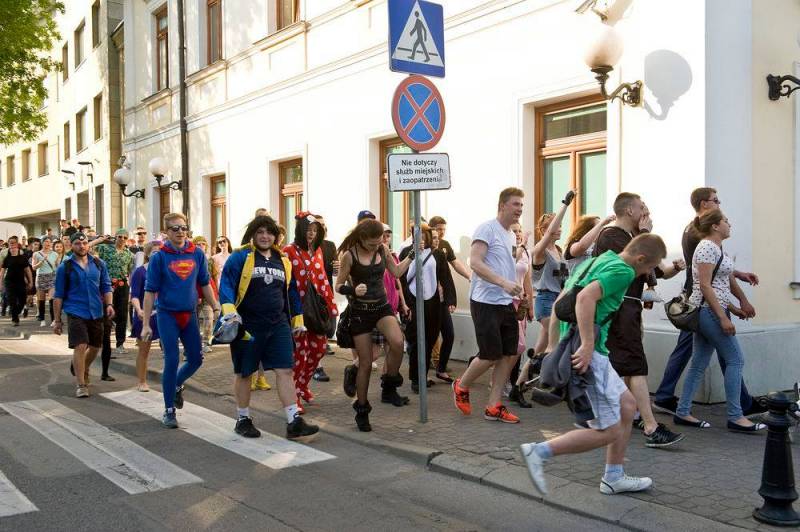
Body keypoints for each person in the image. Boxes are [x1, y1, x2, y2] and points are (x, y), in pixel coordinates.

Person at [520, 233, 670, 496]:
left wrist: (554, 345)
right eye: (649, 268)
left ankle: (614, 477)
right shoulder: (623, 271)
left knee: (627, 406)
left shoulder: (600, 259)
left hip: (590, 350)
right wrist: (587, 345)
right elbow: (584, 299)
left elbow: (560, 302)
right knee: (609, 431)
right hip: (592, 355)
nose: (647, 274)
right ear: (640, 259)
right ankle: (539, 452)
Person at [653, 187, 762, 416]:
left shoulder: (697, 230)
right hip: (706, 303)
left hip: (701, 301)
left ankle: (674, 403)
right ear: (704, 204)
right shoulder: (703, 237)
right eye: (716, 200)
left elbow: (717, 267)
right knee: (731, 357)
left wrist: (737, 277)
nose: (719, 204)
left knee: (697, 357)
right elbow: (707, 277)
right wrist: (733, 307)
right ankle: (739, 409)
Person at [592, 193, 684, 448]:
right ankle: (650, 426)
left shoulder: (632, 237)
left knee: (623, 365)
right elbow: (630, 266)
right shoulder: (611, 235)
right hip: (619, 309)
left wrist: (676, 268)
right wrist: (644, 235)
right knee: (635, 365)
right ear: (630, 211)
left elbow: (656, 271)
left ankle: (616, 415)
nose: (647, 213)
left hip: (629, 310)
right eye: (642, 208)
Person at [219, 215, 319, 441]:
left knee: (285, 370)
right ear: (253, 234)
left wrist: (297, 320)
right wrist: (229, 311)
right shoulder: (240, 256)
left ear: (276, 236)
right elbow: (226, 284)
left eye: (269, 232)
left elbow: (291, 291)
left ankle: (294, 421)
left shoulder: (282, 259)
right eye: (260, 232)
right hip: (248, 326)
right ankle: (243, 419)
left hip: (278, 324)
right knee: (245, 372)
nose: (265, 236)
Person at [673, 211, 766, 433]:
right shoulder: (707, 247)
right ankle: (736, 417)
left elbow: (719, 286)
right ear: (715, 226)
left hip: (710, 310)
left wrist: (734, 308)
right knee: (735, 360)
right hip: (709, 312)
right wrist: (723, 317)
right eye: (725, 221)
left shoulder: (716, 247)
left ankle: (682, 412)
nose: (729, 224)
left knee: (698, 364)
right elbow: (705, 286)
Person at [452, 187, 526, 424]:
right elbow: (475, 262)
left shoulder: (511, 234)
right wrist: (503, 282)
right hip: (485, 301)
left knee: (508, 354)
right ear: (502, 205)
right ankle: (461, 385)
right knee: (490, 355)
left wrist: (517, 289)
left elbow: (506, 264)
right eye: (516, 204)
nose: (520, 209)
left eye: (521, 205)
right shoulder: (487, 228)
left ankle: (494, 406)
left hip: (506, 301)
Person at [142, 213, 220, 429]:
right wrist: (146, 324)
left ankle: (176, 384)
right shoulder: (159, 257)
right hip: (167, 315)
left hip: (189, 314)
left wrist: (215, 306)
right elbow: (149, 291)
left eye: (183, 228)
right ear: (166, 232)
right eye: (175, 228)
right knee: (172, 359)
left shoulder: (197, 253)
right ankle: (169, 410)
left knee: (196, 359)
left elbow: (205, 282)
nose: (180, 232)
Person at [336, 218, 415, 432]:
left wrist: (412, 255)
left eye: (379, 242)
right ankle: (362, 410)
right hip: (360, 311)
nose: (376, 246)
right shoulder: (349, 256)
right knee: (365, 363)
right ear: (362, 239)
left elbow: (396, 272)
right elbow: (338, 285)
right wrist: (352, 290)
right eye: (372, 243)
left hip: (381, 307)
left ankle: (389, 386)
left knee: (398, 343)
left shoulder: (383, 249)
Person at [283, 213, 339, 409]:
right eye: (308, 230)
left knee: (319, 349)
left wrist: (331, 305)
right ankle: (294, 395)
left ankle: (302, 386)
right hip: (297, 311)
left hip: (315, 309)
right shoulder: (288, 251)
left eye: (315, 230)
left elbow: (322, 279)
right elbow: (284, 283)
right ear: (300, 230)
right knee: (300, 353)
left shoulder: (318, 251)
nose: (311, 234)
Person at [52, 232, 114, 398]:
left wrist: (109, 304)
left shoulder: (99, 264)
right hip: (75, 311)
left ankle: (81, 366)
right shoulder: (65, 267)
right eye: (78, 244)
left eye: (85, 243)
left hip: (96, 311)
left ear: (88, 244)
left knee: (95, 347)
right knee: (80, 345)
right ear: (71, 246)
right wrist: (57, 320)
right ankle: (81, 384)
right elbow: (58, 295)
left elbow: (106, 286)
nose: (82, 246)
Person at [427, 216, 471, 382]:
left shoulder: (444, 246)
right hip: (427, 301)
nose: (441, 233)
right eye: (438, 229)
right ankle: (420, 375)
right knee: (429, 337)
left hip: (441, 300)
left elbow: (452, 268)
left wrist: (469, 276)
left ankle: (441, 369)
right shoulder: (422, 248)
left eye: (443, 229)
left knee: (449, 334)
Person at [405, 224, 443, 393]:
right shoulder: (408, 253)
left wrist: (449, 299)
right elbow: (403, 277)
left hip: (432, 303)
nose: (422, 239)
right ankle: (416, 379)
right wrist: (406, 305)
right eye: (419, 236)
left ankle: (424, 375)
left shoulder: (436, 254)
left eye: (425, 236)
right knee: (416, 342)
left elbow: (444, 276)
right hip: (414, 302)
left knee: (429, 340)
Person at [94, 229, 134, 358]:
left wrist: (131, 288)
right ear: (115, 237)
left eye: (125, 237)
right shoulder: (105, 249)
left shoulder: (129, 254)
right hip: (107, 284)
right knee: (106, 314)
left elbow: (130, 271)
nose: (122, 239)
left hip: (122, 285)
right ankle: (104, 343)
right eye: (119, 236)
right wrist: (99, 239)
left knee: (122, 314)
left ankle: (120, 343)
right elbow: (88, 248)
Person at [130, 241, 162, 392]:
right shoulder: (140, 272)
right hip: (145, 316)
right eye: (154, 252)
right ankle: (142, 381)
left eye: (160, 252)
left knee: (169, 350)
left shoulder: (166, 271)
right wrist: (139, 309)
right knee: (144, 350)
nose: (158, 255)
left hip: (163, 315)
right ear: (148, 254)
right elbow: (135, 295)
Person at [509, 223, 535, 408]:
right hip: (507, 301)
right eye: (514, 231)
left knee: (516, 348)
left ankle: (512, 382)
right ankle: (507, 382)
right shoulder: (508, 250)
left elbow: (527, 280)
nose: (518, 234)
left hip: (521, 303)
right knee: (518, 345)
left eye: (519, 231)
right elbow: (511, 261)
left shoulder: (526, 252)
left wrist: (530, 306)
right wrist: (523, 243)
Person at [314, 214, 339, 380]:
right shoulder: (306, 246)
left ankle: (315, 357)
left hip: (327, 292)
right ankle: (317, 367)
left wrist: (337, 268)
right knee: (317, 330)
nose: (321, 228)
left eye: (323, 225)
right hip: (311, 294)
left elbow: (335, 272)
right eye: (318, 225)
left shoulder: (330, 246)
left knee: (329, 328)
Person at [0, 236, 34, 326]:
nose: (12, 244)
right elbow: (2, 272)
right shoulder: (7, 258)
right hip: (9, 282)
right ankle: (15, 319)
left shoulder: (22, 257)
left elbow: (28, 270)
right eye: (10, 242)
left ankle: (16, 312)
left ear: (17, 244)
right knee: (12, 300)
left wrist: (31, 281)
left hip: (20, 282)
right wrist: (1, 284)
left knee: (22, 301)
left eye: (13, 242)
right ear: (8, 244)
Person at [193, 236, 217, 353]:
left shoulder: (210, 260)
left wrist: (215, 293)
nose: (201, 246)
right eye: (198, 244)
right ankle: (195, 343)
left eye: (203, 244)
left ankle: (206, 342)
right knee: (194, 319)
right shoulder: (191, 259)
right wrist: (197, 294)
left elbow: (214, 276)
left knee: (209, 317)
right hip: (195, 292)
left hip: (208, 292)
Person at [32, 237, 60, 326]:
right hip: (41, 277)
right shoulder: (36, 254)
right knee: (41, 300)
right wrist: (40, 263)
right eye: (46, 241)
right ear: (42, 243)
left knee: (52, 298)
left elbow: (58, 266)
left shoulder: (55, 254)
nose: (48, 243)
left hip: (52, 276)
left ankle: (53, 320)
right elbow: (33, 267)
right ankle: (42, 319)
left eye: (49, 242)